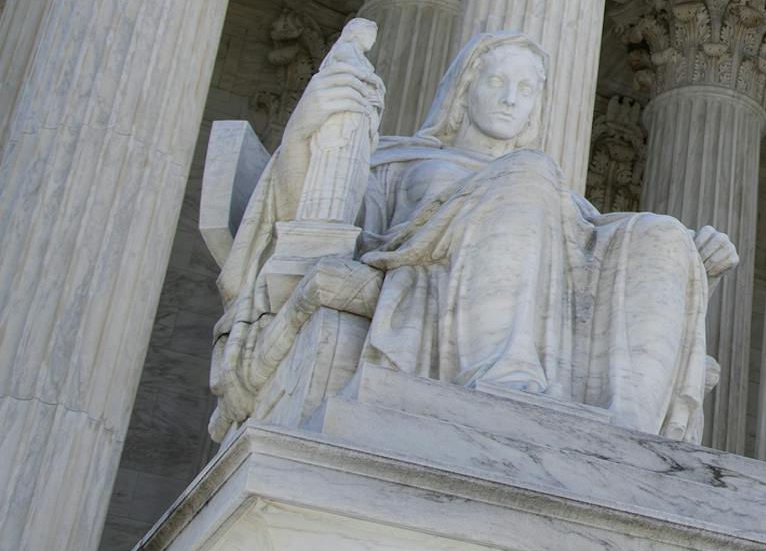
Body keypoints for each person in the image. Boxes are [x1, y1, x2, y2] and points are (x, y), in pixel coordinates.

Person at [212, 29, 735, 443]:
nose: (510, 99)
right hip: (428, 273)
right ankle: (503, 381)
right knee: (529, 172)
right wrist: (306, 130)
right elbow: (314, 226)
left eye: (526, 90)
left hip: (546, 288)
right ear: (465, 90)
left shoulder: (563, 200)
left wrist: (697, 268)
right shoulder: (400, 161)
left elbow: (591, 268)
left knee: (662, 232)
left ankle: (629, 437)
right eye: (496, 82)